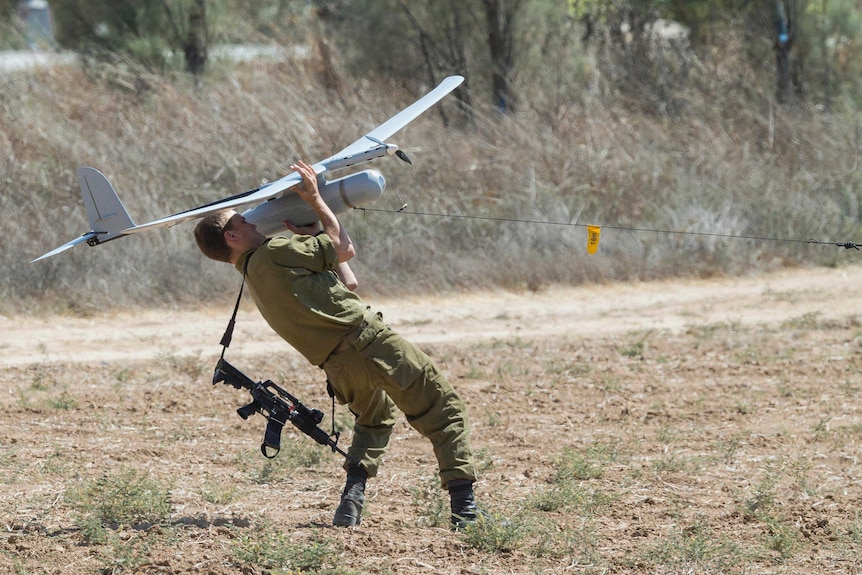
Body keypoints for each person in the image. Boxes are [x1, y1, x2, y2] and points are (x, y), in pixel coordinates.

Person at [194, 160, 482, 529]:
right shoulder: (275, 251)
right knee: (443, 409)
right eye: (242, 223)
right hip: (372, 343)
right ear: (231, 237)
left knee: (373, 421)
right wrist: (316, 198)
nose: (251, 222)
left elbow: (348, 283)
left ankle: (350, 504)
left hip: (340, 368)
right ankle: (465, 511)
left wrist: (314, 229)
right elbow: (344, 248)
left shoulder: (256, 278)